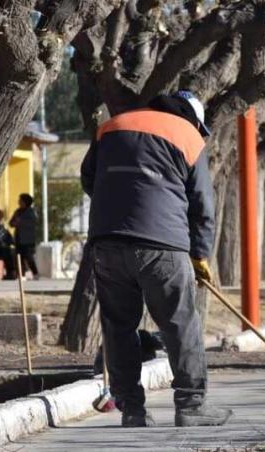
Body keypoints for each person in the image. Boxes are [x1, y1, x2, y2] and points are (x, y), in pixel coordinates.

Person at [80, 90, 228, 428]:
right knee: (179, 325)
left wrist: (121, 203)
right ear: (193, 119)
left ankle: (132, 409)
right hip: (163, 245)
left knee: (119, 328)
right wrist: (201, 254)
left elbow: (89, 178)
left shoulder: (111, 127)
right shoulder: (187, 135)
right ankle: (191, 407)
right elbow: (202, 204)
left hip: (107, 243)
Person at [9, 193, 40, 278]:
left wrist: (20, 222)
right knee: (19, 258)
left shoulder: (31, 212)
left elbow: (32, 223)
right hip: (19, 238)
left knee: (29, 257)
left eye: (20, 200)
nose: (19, 202)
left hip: (28, 239)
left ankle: (35, 274)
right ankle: (21, 275)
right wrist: (16, 222)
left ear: (25, 202)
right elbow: (11, 223)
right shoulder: (18, 211)